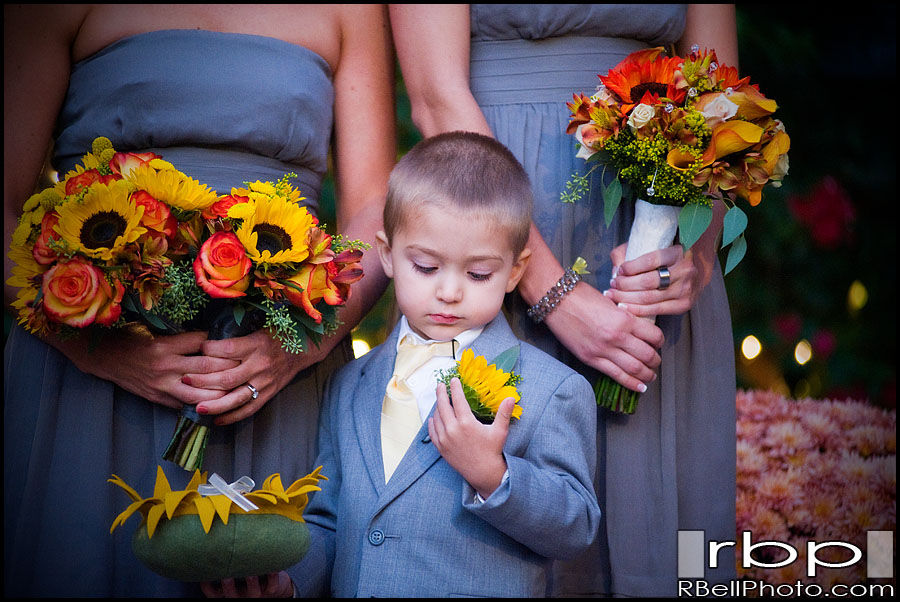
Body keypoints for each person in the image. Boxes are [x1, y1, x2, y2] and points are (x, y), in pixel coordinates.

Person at [3, 4, 394, 597]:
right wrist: (94, 351)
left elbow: (373, 209)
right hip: (89, 378)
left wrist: (301, 348)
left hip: (274, 367)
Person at [391, 4, 738, 596]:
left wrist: (696, 256)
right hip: (492, 233)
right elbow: (435, 95)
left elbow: (724, 99)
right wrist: (550, 291)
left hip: (659, 246)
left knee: (662, 532)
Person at [280, 132, 601, 598]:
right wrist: (289, 581)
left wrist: (493, 474)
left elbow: (576, 526)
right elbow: (329, 519)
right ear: (387, 254)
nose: (450, 291)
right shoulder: (349, 382)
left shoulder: (554, 389)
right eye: (427, 267)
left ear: (514, 271)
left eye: (478, 274)